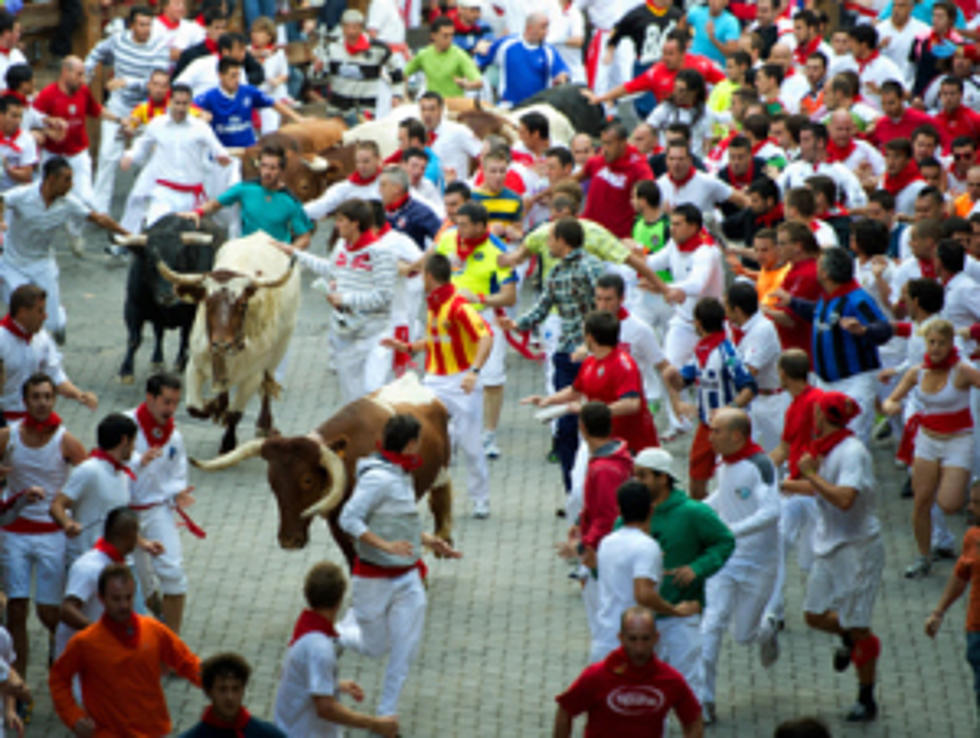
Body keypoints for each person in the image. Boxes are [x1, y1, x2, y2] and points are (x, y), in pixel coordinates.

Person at [337, 414, 461, 719]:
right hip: (373, 577)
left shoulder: (400, 472)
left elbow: (398, 521)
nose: (420, 447)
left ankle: (386, 714)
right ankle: (336, 634)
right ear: (409, 444)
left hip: (407, 576)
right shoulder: (378, 478)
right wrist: (385, 545)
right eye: (418, 441)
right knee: (375, 648)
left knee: (405, 649)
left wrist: (430, 541)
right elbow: (348, 519)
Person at [793, 391, 885, 722]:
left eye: (814, 412)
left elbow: (845, 498)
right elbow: (819, 488)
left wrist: (811, 476)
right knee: (814, 615)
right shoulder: (825, 449)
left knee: (859, 625)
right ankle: (848, 633)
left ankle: (866, 697)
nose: (811, 417)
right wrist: (783, 487)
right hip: (828, 545)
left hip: (857, 548)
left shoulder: (852, 452)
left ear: (823, 415)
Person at [381, 253, 493, 518]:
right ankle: (414, 493)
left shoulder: (458, 306)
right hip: (434, 380)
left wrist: (474, 372)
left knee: (472, 446)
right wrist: (408, 347)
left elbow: (486, 337)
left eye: (421, 274)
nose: (419, 279)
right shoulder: (433, 304)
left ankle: (481, 499)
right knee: (420, 436)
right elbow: (435, 339)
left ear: (429, 277)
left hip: (461, 382)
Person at [501, 218, 603, 494]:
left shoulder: (591, 267)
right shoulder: (556, 272)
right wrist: (517, 324)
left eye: (550, 239)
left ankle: (592, 489)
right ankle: (574, 494)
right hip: (566, 354)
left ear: (562, 240)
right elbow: (543, 306)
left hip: (591, 354)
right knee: (566, 427)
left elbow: (605, 308)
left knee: (593, 422)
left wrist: (593, 343)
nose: (547, 244)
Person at [630, 447, 734, 712]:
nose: (636, 482)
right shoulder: (632, 514)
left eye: (642, 476)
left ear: (662, 478)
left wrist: (698, 568)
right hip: (642, 624)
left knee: (688, 688)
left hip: (682, 617)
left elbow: (724, 541)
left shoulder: (693, 512)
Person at [0, 372, 85, 690]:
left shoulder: (65, 439)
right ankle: (18, 684)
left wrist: (74, 514)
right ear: (24, 402)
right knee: (17, 610)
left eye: (47, 396)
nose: (41, 402)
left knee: (50, 612)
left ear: (54, 400)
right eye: (35, 396)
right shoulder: (8, 437)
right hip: (15, 533)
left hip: (52, 533)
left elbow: (90, 471)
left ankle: (59, 656)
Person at [50, 564, 201, 736]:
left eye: (128, 597)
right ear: (101, 599)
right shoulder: (85, 643)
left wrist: (217, 683)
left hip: (151, 732)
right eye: (116, 599)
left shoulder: (154, 631)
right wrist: (73, 717)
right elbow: (58, 679)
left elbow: (188, 663)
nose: (123, 605)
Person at [699, 408, 782, 724]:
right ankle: (704, 700)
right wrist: (695, 508)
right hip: (725, 560)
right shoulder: (726, 463)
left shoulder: (760, 466)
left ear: (736, 436)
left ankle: (766, 629)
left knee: (743, 635)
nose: (710, 435)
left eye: (716, 430)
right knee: (712, 624)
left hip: (759, 563)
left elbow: (772, 512)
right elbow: (724, 495)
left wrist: (730, 531)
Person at [883, 319, 980, 578]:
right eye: (931, 342)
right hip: (927, 439)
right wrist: (891, 405)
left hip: (958, 440)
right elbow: (893, 397)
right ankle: (924, 556)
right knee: (921, 501)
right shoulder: (918, 372)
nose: (936, 348)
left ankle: (972, 489)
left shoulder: (962, 371)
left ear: (951, 344)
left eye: (941, 343)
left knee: (949, 504)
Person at [278, 199, 396, 404]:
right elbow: (331, 269)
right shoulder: (342, 246)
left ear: (355, 223)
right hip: (344, 334)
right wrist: (295, 254)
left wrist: (346, 299)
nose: (336, 225)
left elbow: (384, 295)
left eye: (341, 220)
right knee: (351, 400)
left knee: (373, 392)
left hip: (374, 335)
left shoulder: (381, 252)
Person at [0, 157, 128, 340]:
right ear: (51, 179)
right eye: (67, 179)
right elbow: (2, 200)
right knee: (22, 314)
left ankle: (59, 318)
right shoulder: (23, 195)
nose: (71, 184)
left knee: (54, 324)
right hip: (13, 264)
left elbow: (99, 219)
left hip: (42, 263)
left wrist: (127, 234)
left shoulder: (69, 203)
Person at [777, 247, 893, 443]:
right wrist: (792, 302)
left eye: (818, 265)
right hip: (825, 384)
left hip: (854, 383)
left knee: (850, 441)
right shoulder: (828, 296)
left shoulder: (857, 299)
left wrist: (864, 331)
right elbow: (819, 314)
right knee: (825, 440)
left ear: (825, 273)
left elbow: (885, 329)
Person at [273, 561, 400, 737]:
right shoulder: (320, 648)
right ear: (339, 600)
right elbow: (326, 708)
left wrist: (334, 685)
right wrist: (374, 724)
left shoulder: (304, 631)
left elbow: (298, 676)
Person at [434, 201, 516, 459]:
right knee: (450, 377)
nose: (459, 229)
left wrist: (478, 297)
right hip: (452, 321)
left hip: (484, 318)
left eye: (465, 225)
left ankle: (488, 434)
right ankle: (451, 435)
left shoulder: (498, 251)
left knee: (491, 378)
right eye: (458, 223)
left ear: (481, 226)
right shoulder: (448, 239)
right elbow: (433, 270)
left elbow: (509, 296)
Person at [553, 606, 704, 738]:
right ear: (621, 638)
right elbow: (565, 710)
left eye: (645, 639)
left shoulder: (670, 679)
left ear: (656, 638)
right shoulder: (597, 676)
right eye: (633, 639)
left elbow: (693, 720)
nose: (639, 647)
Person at [592, 479, 699, 662]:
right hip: (632, 647)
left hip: (604, 638)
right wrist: (675, 610)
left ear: (619, 511)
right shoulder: (647, 547)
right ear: (651, 509)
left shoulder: (607, 542)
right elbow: (643, 594)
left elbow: (620, 577)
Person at [126, 372, 197, 635]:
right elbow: (105, 460)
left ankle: (172, 645)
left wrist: (177, 492)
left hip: (157, 511)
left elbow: (178, 474)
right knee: (137, 585)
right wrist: (137, 461)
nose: (171, 409)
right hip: (125, 514)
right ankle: (154, 612)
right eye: (166, 402)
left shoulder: (174, 436)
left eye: (175, 403)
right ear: (150, 398)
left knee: (174, 574)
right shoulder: (125, 423)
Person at [559, 402, 634, 645]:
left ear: (582, 427)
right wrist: (581, 521)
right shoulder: (615, 457)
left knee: (605, 619)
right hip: (605, 546)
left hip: (603, 553)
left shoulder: (603, 470)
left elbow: (606, 518)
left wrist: (583, 547)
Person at [83, 6, 170, 213]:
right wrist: (87, 72)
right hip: (119, 105)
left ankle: (148, 209)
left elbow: (156, 83)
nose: (146, 29)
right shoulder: (118, 40)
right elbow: (97, 51)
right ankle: (99, 210)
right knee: (107, 157)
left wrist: (126, 82)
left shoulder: (159, 46)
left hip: (146, 109)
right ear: (132, 25)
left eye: (149, 24)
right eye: (141, 24)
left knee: (149, 160)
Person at [674, 297, 757, 500]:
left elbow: (749, 387)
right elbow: (684, 379)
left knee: (732, 475)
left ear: (698, 323)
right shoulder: (701, 349)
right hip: (706, 426)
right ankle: (701, 518)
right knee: (696, 474)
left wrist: (728, 410)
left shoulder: (726, 352)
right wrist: (669, 376)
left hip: (729, 428)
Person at [119, 82, 231, 231]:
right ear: (170, 102)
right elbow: (141, 146)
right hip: (164, 192)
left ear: (190, 104)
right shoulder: (157, 124)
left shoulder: (201, 128)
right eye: (177, 103)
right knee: (155, 230)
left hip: (192, 196)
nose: (180, 108)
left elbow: (218, 149)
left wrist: (222, 157)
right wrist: (130, 156)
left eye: (184, 103)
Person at [32, 57, 125, 224]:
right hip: (52, 153)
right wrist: (48, 133)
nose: (82, 79)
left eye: (83, 75)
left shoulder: (83, 91)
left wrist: (119, 119)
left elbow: (97, 110)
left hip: (78, 152)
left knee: (86, 197)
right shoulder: (47, 95)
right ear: (65, 72)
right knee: (45, 196)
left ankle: (75, 233)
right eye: (79, 74)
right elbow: (33, 123)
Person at [49, 413, 143, 563]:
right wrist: (67, 523)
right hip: (88, 560)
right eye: (133, 442)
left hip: (118, 562)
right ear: (124, 440)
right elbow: (57, 505)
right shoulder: (89, 470)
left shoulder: (122, 473)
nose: (134, 448)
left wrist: (145, 543)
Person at [182, 143, 314, 249]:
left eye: (273, 168)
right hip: (246, 251)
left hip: (276, 256)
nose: (267, 172)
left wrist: (290, 250)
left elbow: (304, 237)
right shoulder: (245, 189)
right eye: (264, 166)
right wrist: (197, 213)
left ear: (281, 170)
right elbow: (214, 204)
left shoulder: (291, 201)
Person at [924, 483, 980, 720]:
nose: (969, 507)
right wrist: (938, 612)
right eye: (971, 500)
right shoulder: (973, 538)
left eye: (977, 503)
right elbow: (960, 576)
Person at [53, 507, 140, 658]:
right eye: (136, 533)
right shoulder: (90, 566)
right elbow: (67, 610)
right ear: (127, 535)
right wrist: (100, 633)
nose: (138, 538)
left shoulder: (113, 563)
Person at [0, 285, 98, 419]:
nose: (45, 316)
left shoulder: (42, 337)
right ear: (23, 312)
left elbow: (54, 374)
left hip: (35, 419)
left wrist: (79, 395)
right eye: (40, 311)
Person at [726, 281, 786, 453]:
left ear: (737, 310)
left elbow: (749, 371)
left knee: (774, 457)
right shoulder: (740, 328)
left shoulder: (762, 329)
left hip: (771, 402)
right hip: (754, 401)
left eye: (727, 307)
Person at [315, 9, 405, 121]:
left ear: (361, 28)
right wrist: (317, 69)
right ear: (342, 28)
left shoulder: (378, 49)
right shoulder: (332, 48)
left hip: (364, 110)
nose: (351, 32)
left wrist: (397, 94)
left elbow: (396, 72)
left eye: (355, 27)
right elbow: (317, 77)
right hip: (337, 110)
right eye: (347, 27)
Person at [578, 121, 654, 239]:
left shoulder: (638, 167)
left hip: (617, 238)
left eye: (609, 144)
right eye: (603, 143)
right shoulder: (596, 162)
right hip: (589, 232)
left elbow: (650, 193)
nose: (604, 149)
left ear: (622, 143)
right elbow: (572, 181)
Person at [181, 652, 286, 737]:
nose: (230, 697)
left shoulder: (269, 735)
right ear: (209, 691)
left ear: (243, 690)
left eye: (235, 689)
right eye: (222, 689)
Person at [476, 12, 569, 108]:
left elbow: (561, 71)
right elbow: (480, 60)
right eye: (543, 28)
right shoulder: (506, 44)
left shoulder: (549, 51)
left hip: (537, 106)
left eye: (547, 28)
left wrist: (562, 77)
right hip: (508, 105)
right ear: (529, 28)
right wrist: (481, 49)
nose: (546, 32)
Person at [404, 16, 482, 98]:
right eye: (445, 36)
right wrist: (405, 96)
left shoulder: (460, 55)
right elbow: (404, 74)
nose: (449, 39)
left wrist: (466, 85)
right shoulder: (423, 54)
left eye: (451, 35)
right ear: (433, 36)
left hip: (453, 105)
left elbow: (479, 82)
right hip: (433, 106)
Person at [304, 140, 383, 221]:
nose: (361, 166)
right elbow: (322, 205)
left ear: (378, 159)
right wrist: (295, 211)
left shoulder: (387, 181)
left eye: (366, 161)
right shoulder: (344, 187)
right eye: (358, 162)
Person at [418, 91, 483, 185]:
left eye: (432, 109)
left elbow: (483, 155)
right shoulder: (419, 134)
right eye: (423, 110)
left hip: (455, 191)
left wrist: (472, 183)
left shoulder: (458, 131)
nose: (427, 114)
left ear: (441, 110)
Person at [380, 166, 441, 251]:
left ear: (397, 188)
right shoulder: (378, 213)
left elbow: (442, 238)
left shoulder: (420, 212)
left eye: (383, 185)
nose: (379, 190)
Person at [0, 94, 37, 196]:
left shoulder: (27, 139)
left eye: (20, 117)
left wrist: (7, 168)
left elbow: (27, 176)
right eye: (14, 116)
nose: (18, 121)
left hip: (15, 194)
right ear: (1, 115)